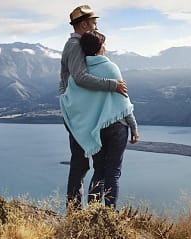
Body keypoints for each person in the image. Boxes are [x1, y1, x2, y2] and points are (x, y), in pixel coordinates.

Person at [60, 4, 128, 209]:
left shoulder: (79, 44)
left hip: (81, 111)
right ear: (83, 25)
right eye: (94, 24)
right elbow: (80, 78)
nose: (96, 28)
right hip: (76, 113)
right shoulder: (74, 45)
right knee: (80, 163)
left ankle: (82, 211)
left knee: (84, 162)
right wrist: (112, 85)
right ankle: (75, 212)